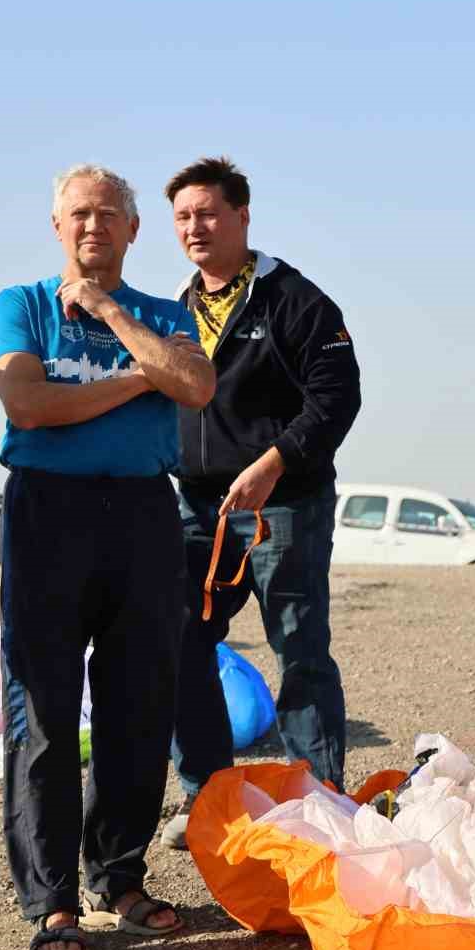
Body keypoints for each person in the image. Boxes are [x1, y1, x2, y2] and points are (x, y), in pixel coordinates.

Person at [0, 164, 215, 950]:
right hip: (49, 512)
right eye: (79, 214)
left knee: (139, 701)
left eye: (110, 215)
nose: (94, 227)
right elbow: (29, 404)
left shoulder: (156, 311)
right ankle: (52, 900)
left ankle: (118, 876)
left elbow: (192, 383)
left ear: (132, 230)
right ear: (56, 225)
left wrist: (113, 313)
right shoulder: (21, 306)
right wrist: (134, 376)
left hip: (145, 515)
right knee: (44, 708)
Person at [160, 157, 361, 849]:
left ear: (243, 215)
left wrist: (274, 464)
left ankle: (323, 801)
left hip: (285, 505)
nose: (195, 227)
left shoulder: (297, 301)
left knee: (300, 649)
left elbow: (337, 399)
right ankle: (206, 795)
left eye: (208, 212)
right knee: (182, 639)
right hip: (197, 509)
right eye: (183, 216)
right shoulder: (174, 312)